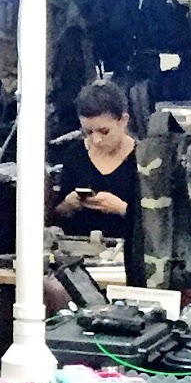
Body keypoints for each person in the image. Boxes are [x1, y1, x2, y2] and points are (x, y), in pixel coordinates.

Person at [52, 77, 145, 284]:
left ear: (123, 121)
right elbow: (57, 214)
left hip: (128, 258)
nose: (96, 140)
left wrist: (123, 209)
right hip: (78, 255)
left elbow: (155, 224)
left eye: (104, 131)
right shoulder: (75, 154)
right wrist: (69, 204)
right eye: (88, 132)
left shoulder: (144, 160)